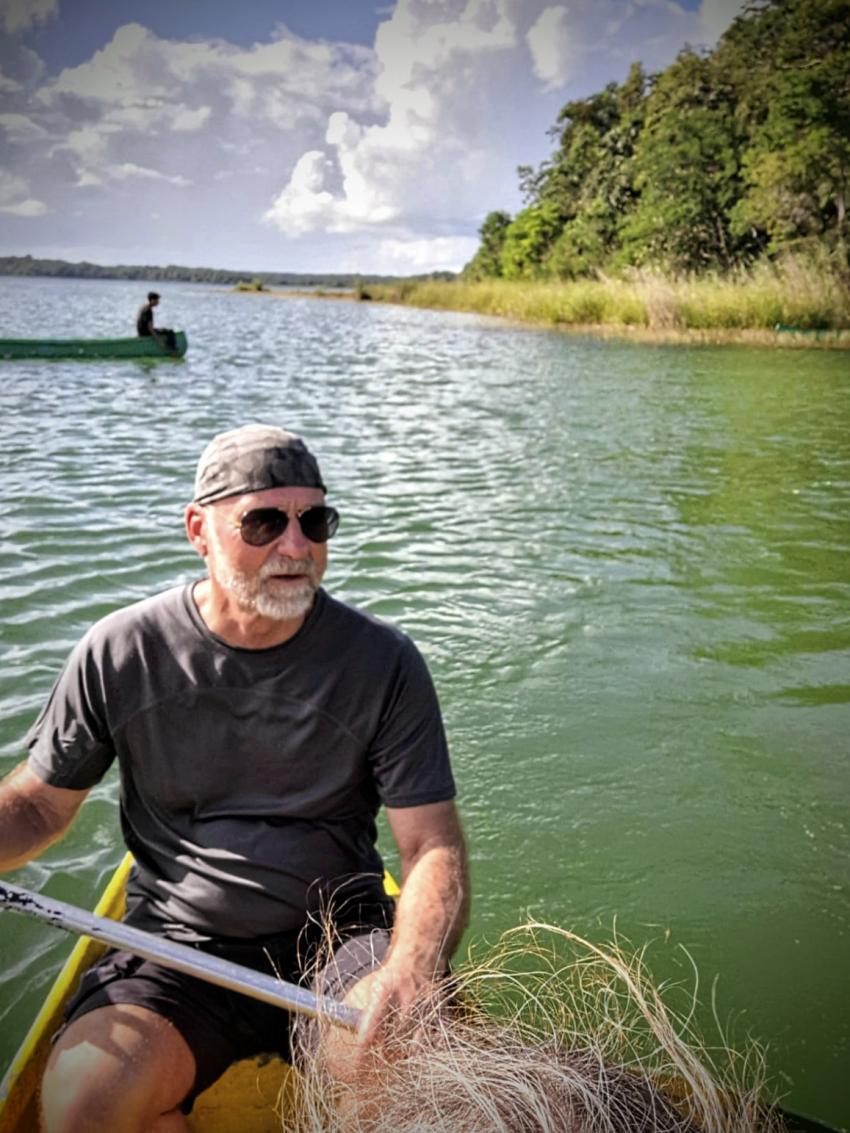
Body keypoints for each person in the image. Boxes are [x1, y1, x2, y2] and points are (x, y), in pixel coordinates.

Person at [0, 424, 469, 1133]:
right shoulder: (120, 650)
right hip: (177, 946)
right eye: (264, 522)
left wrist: (413, 963)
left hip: (343, 941)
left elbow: (431, 843)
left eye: (315, 520)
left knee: (405, 1079)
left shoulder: (384, 662)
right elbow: (36, 808)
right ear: (199, 529)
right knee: (82, 1106)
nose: (296, 545)